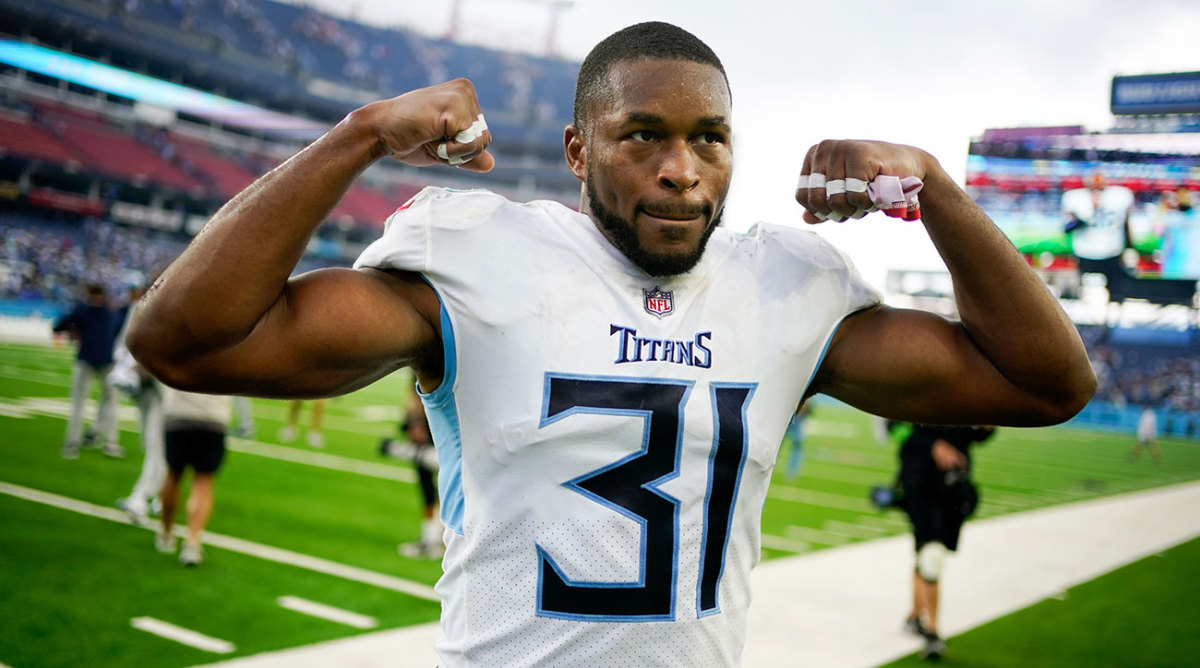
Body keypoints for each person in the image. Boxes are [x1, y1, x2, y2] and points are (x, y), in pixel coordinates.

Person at [128, 22, 1096, 666]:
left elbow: (1049, 379)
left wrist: (933, 188)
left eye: (710, 138)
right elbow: (182, 339)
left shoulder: (783, 288)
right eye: (643, 135)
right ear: (578, 150)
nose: (682, 171)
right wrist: (358, 136)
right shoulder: (480, 263)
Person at [896, 423, 994, 660]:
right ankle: (933, 632)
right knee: (932, 554)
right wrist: (934, 445)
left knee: (928, 553)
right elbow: (895, 427)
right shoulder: (911, 386)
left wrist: (988, 426)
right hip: (919, 480)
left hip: (953, 484)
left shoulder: (969, 390)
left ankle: (914, 615)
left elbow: (975, 435)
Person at [109, 278, 167, 525]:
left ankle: (141, 497)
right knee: (148, 441)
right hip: (141, 385)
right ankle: (159, 494)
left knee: (157, 445)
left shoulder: (182, 310)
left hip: (165, 388)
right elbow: (123, 344)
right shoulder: (141, 308)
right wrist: (127, 367)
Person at [155, 385, 233, 566]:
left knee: (173, 475)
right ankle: (192, 540)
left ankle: (166, 534)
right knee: (203, 482)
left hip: (180, 415)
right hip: (214, 418)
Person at [53, 282, 123, 459]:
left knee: (79, 403)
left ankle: (72, 444)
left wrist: (73, 331)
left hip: (87, 359)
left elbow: (58, 326)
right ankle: (110, 443)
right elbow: (116, 331)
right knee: (110, 402)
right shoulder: (109, 311)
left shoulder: (81, 310)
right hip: (106, 360)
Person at [380, 387, 444, 559]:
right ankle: (432, 538)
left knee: (441, 486)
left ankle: (434, 540)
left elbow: (416, 396)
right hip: (438, 429)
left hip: (435, 432)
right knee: (433, 488)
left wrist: (414, 421)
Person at [782, 400, 811, 479]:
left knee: (796, 448)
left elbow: (808, 406)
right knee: (777, 446)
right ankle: (791, 472)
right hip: (790, 418)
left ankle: (792, 472)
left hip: (798, 419)